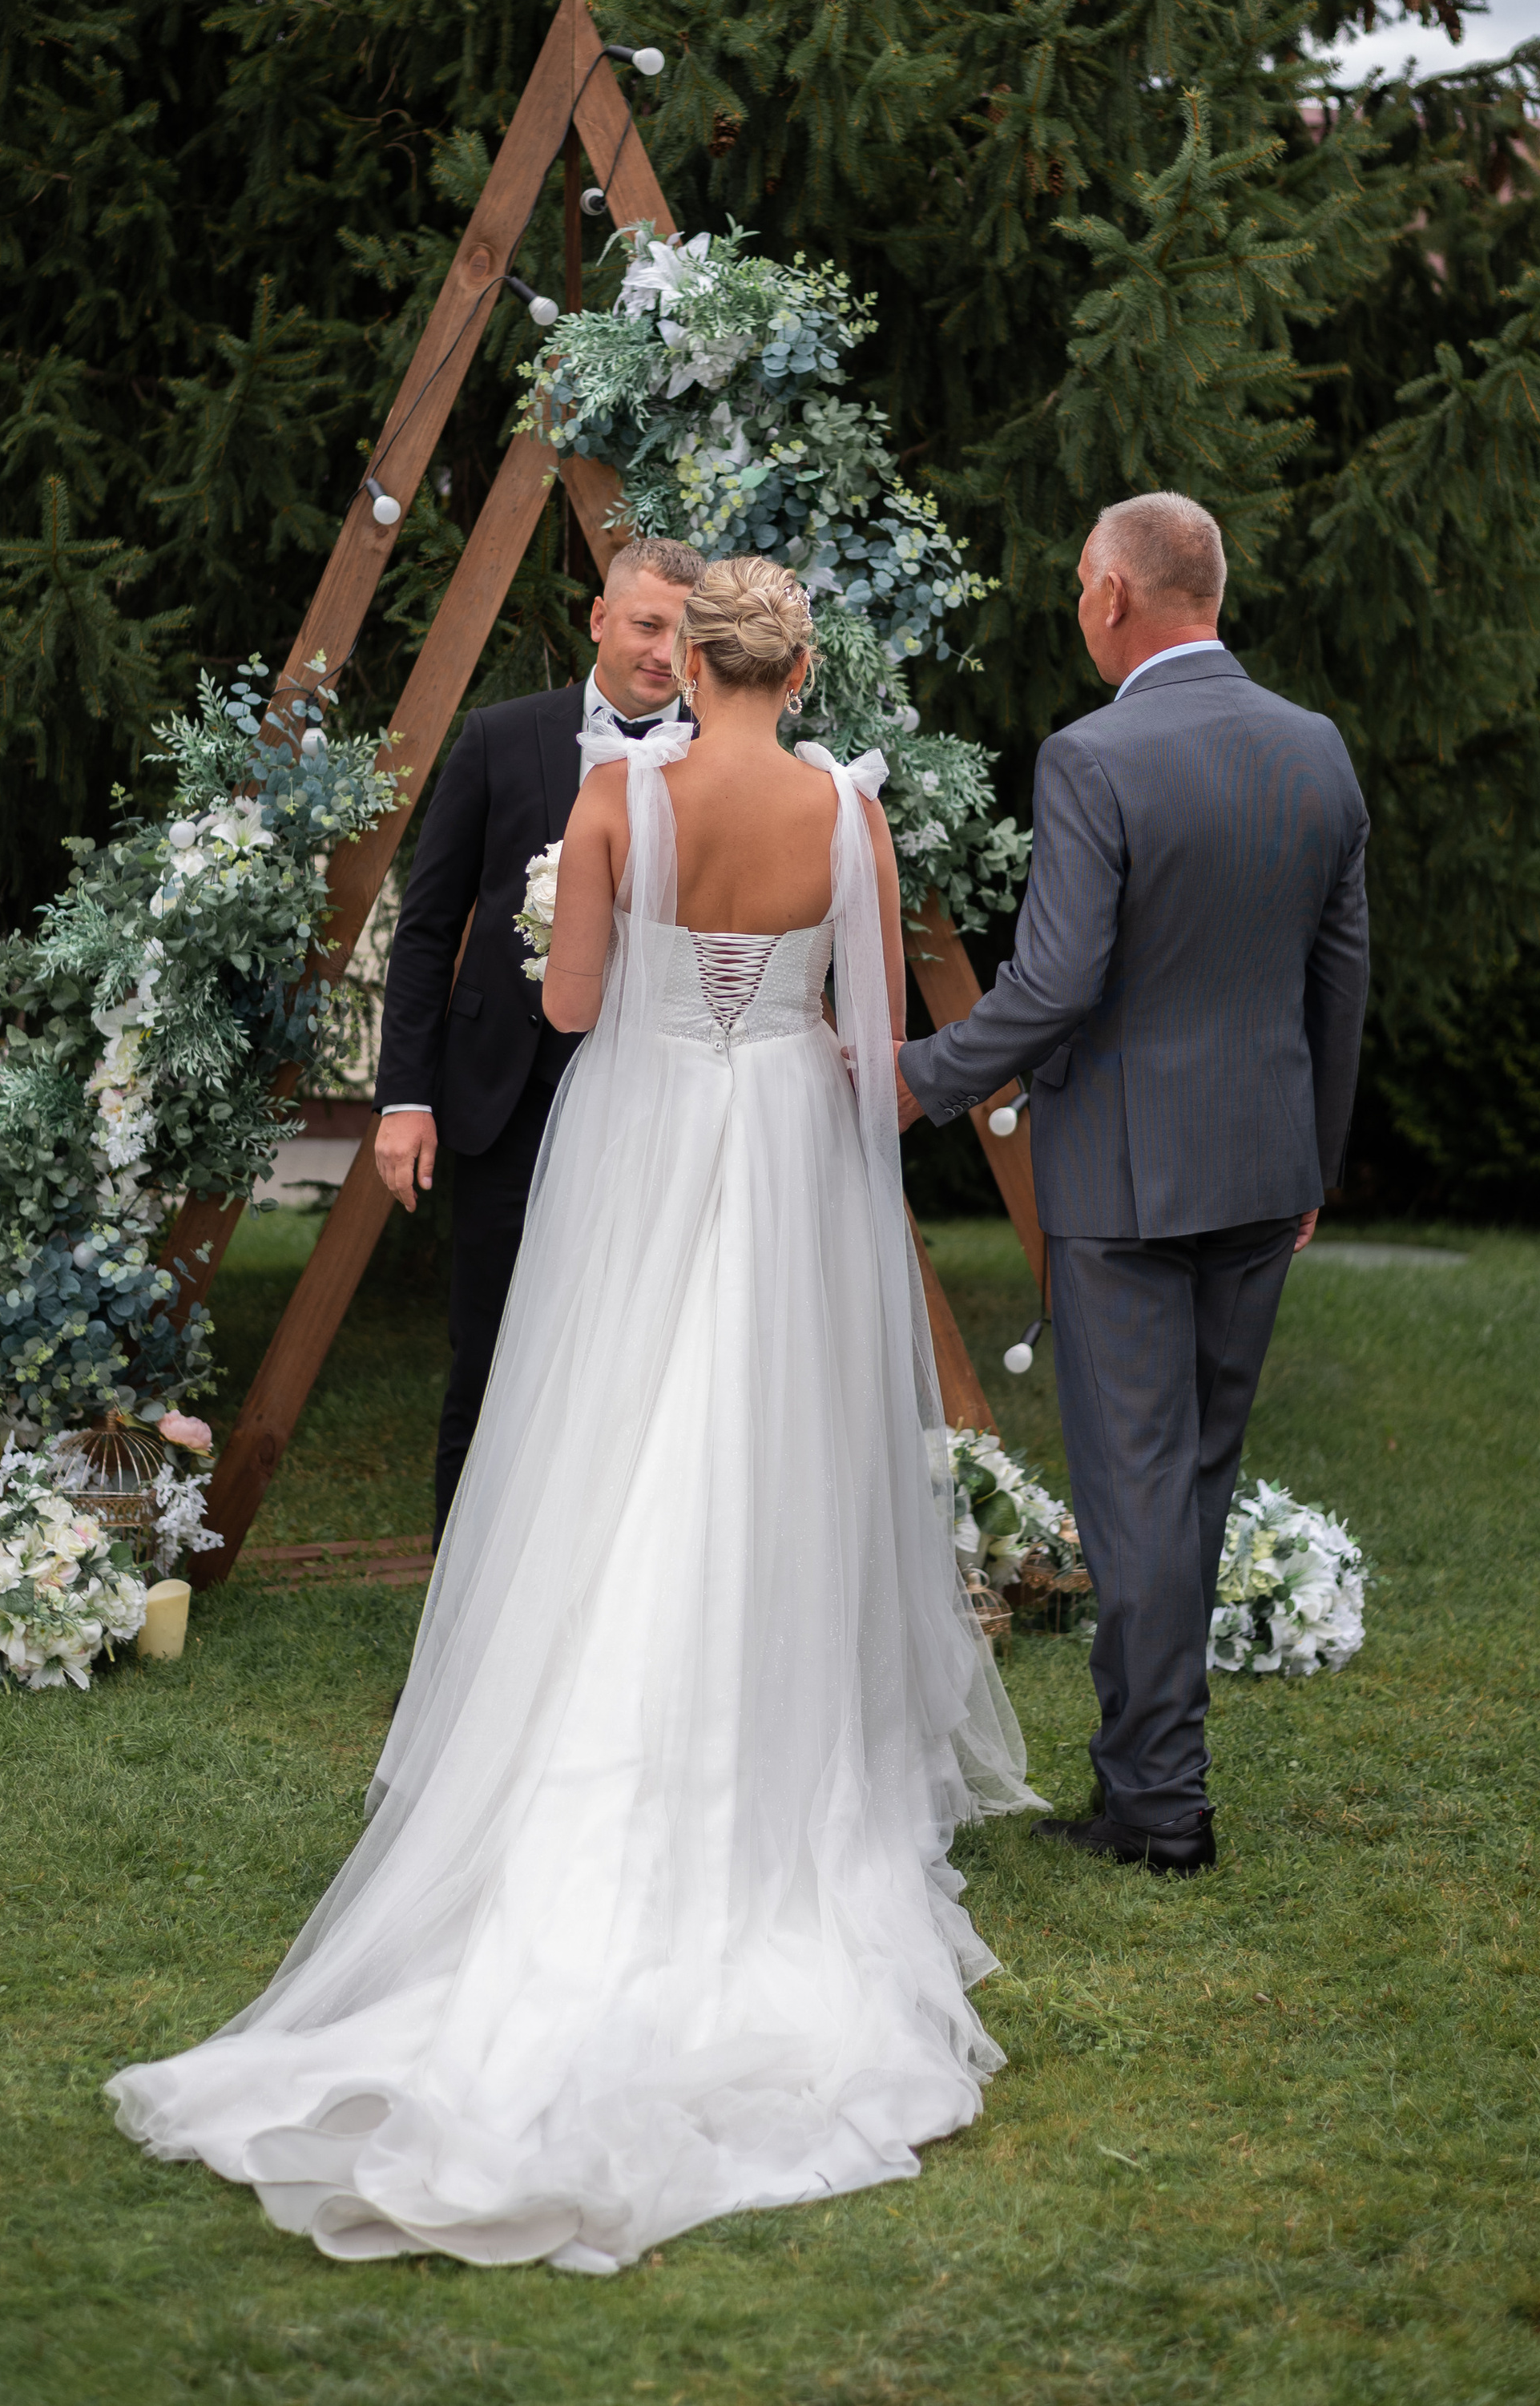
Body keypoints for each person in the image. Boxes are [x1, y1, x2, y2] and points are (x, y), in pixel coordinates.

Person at [109, 557, 1042, 2270]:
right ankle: (768, 1745)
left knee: (608, 1416)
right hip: (783, 1137)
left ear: (698, 654)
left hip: (643, 1125)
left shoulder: (619, 800)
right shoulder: (849, 813)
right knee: (768, 1422)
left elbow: (567, 1007)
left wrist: (645, 959)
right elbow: (862, 1025)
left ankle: (582, 1733)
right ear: (799, 668)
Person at [897, 490, 1370, 1876]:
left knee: (1134, 1489)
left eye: (1078, 588)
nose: (1077, 608)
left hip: (1124, 1183)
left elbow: (1054, 983)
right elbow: (1341, 979)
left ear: (1113, 595)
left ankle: (1161, 1803)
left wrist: (918, 1076)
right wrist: (1313, 1158)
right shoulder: (1316, 745)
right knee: (1192, 1479)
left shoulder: (1092, 755)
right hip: (1263, 1170)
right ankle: (1148, 1775)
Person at [373, 534, 703, 1537]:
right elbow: (427, 929)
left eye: (686, 635)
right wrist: (405, 1098)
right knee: (489, 1352)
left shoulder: (719, 760)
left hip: (657, 1100)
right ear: (600, 619)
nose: (664, 654)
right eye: (646, 625)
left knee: (636, 1354)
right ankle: (458, 1597)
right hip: (503, 1102)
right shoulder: (499, 738)